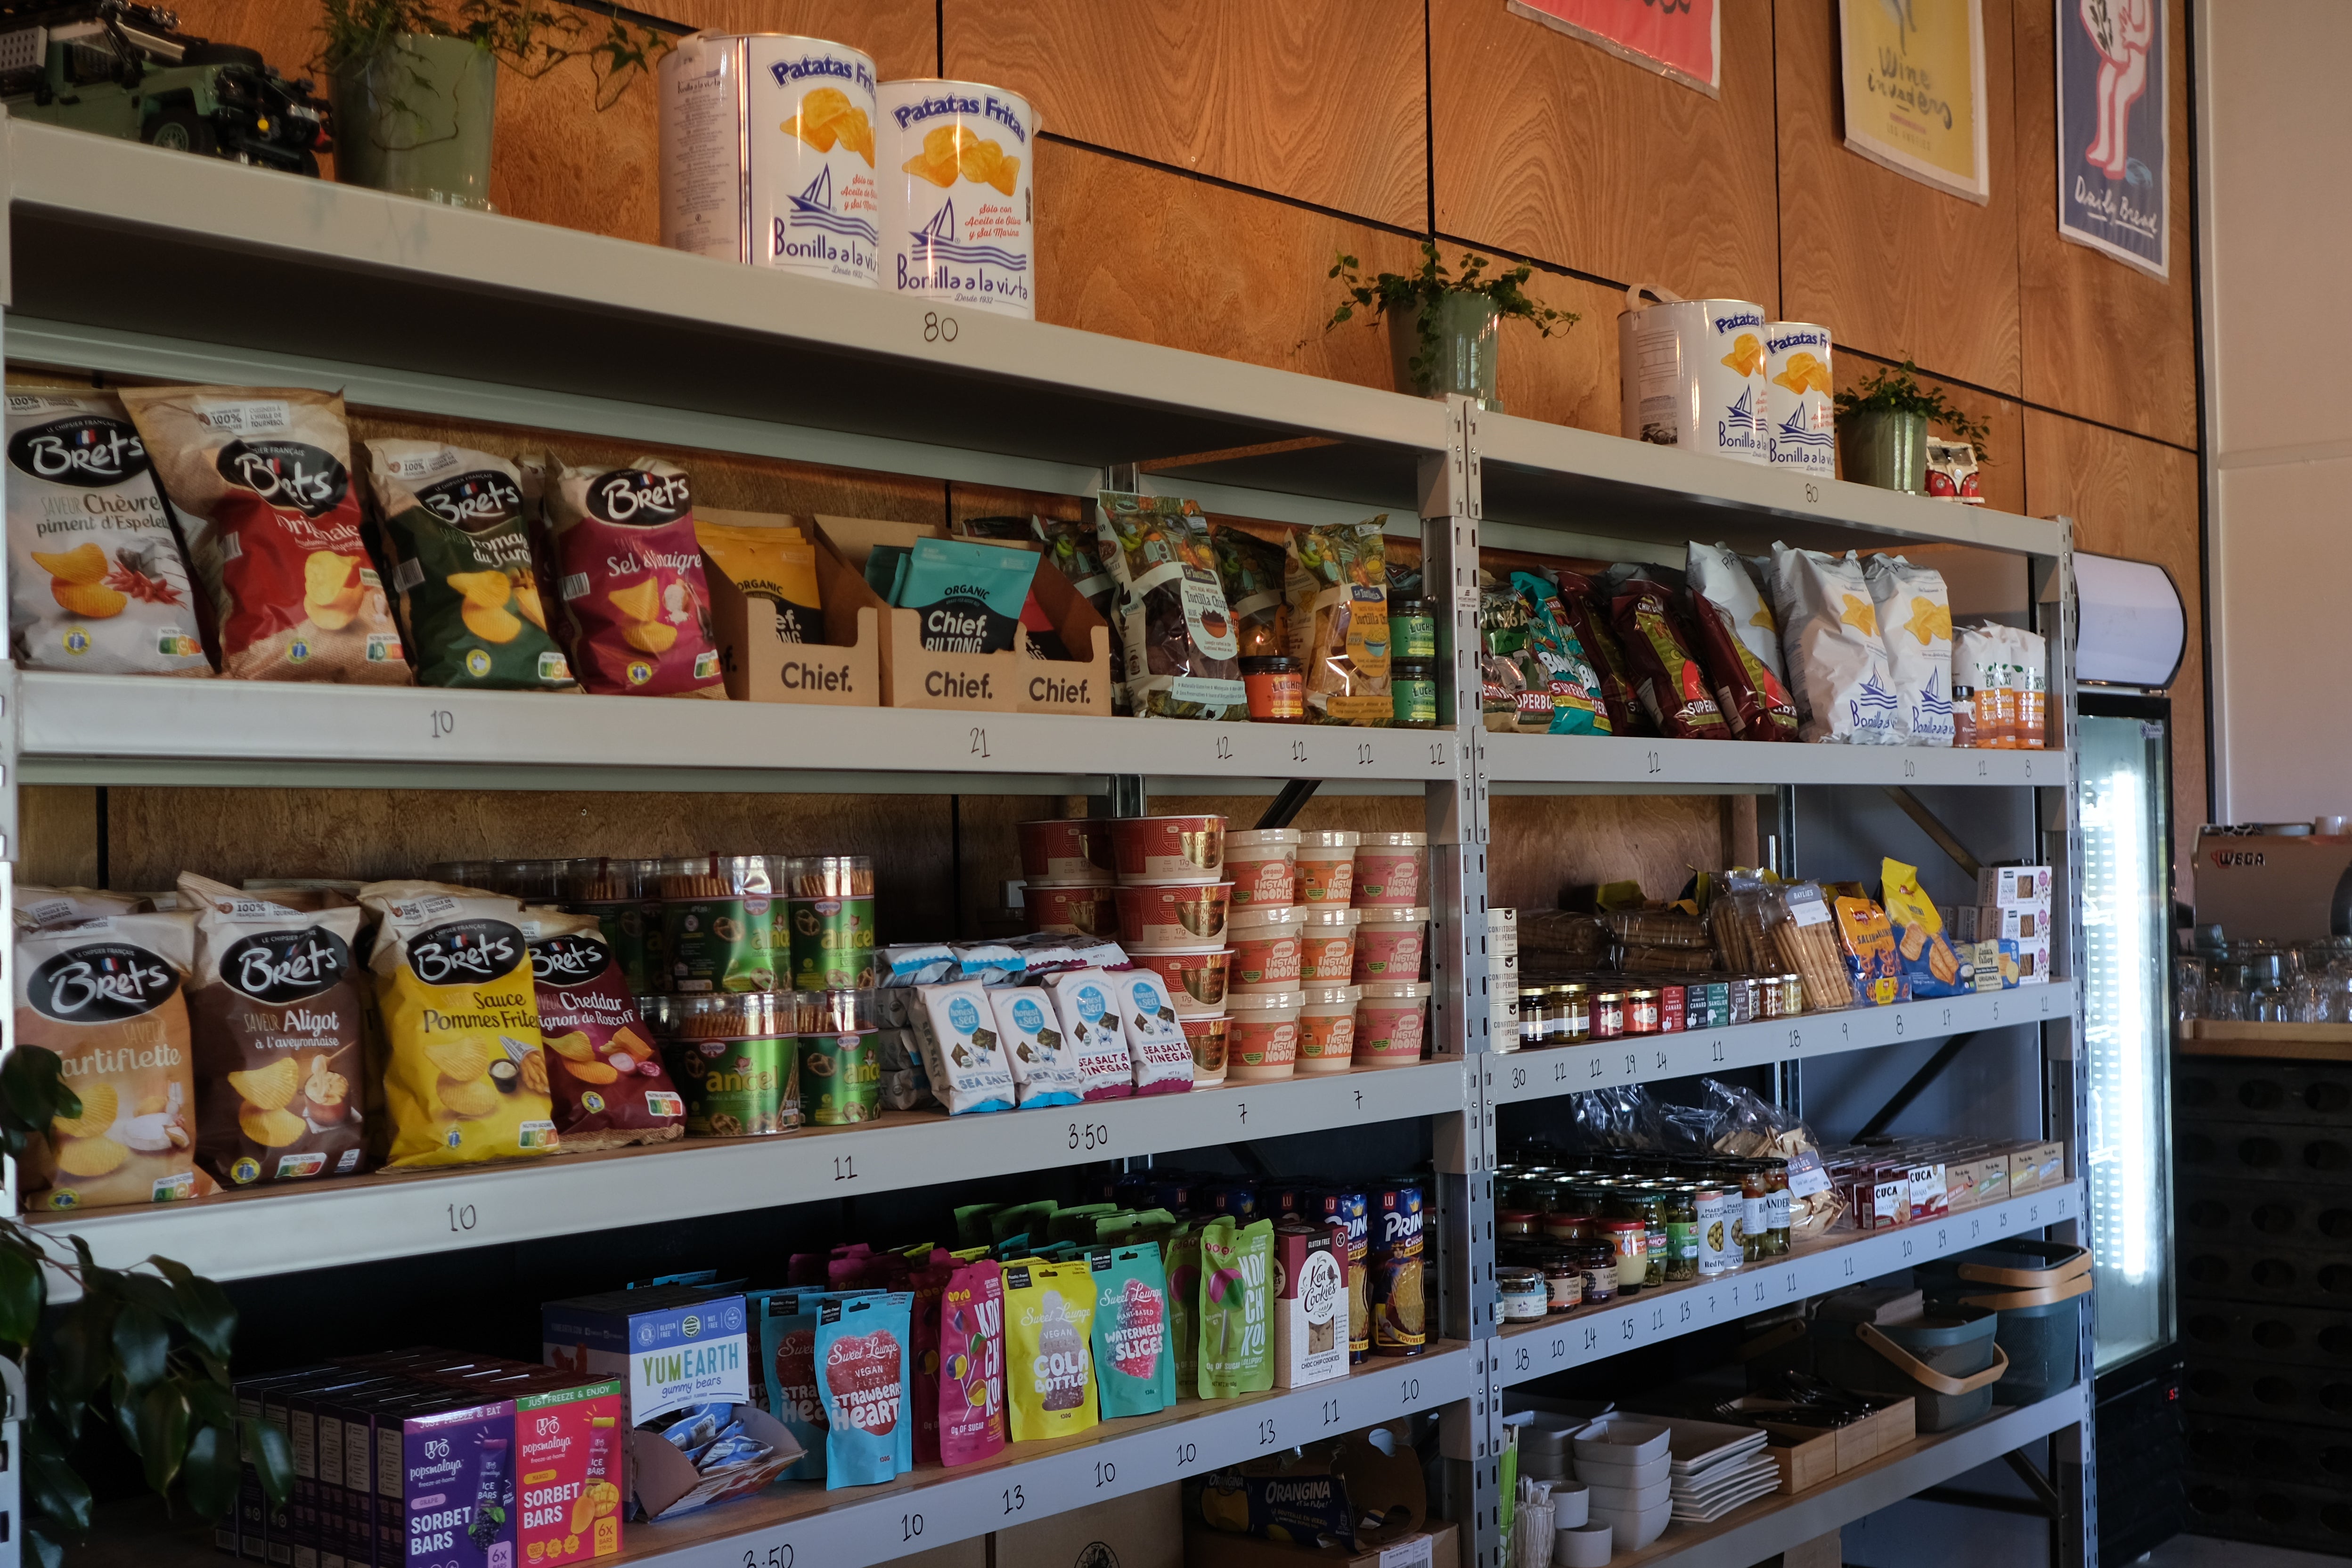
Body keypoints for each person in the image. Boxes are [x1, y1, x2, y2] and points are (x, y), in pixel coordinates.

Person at [2082, 0, 2155, 179]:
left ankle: (2118, 157)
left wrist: (2133, 36)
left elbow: (2145, 36)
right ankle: (2104, 146)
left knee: (2119, 94)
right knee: (2105, 80)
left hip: (2135, 70)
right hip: (2120, 60)